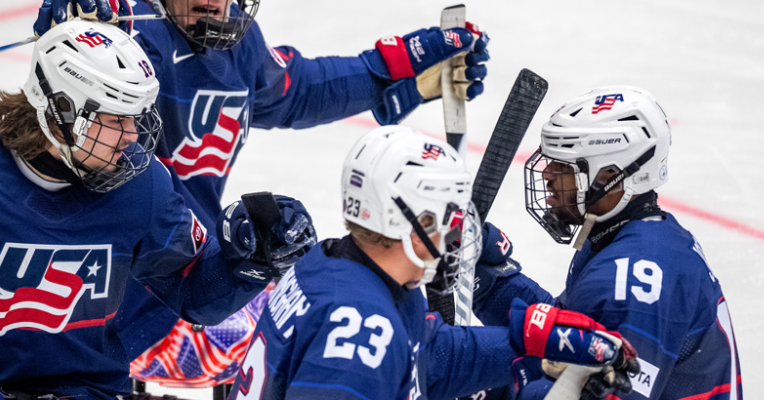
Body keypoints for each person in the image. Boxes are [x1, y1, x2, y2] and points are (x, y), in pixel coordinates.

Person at [0, 20, 315, 400]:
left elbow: (193, 295)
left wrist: (248, 262)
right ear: (62, 112)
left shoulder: (144, 187)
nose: (135, 136)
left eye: (138, 117)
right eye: (117, 119)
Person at [31, 0, 493, 390]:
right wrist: (72, 34)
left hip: (197, 276)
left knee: (322, 305)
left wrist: (395, 72)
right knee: (329, 331)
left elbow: (294, 91)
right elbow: (60, 124)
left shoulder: (236, 40)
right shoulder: (128, 38)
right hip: (121, 308)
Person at [227, 126, 640, 400]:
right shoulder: (356, 331)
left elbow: (431, 355)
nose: (462, 227)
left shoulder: (343, 267)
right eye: (450, 212)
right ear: (414, 222)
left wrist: (526, 342)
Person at [472, 86, 744, 399]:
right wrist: (490, 280)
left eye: (564, 166)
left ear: (609, 177)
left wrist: (490, 388)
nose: (547, 174)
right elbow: (569, 340)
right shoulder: (627, 235)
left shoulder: (631, 281)